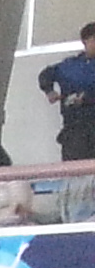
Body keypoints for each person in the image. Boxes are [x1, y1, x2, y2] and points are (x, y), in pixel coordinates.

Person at [38, 21, 95, 167]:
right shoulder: (70, 66)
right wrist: (49, 91)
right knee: (74, 170)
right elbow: (46, 75)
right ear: (85, 41)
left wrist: (87, 98)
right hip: (74, 129)